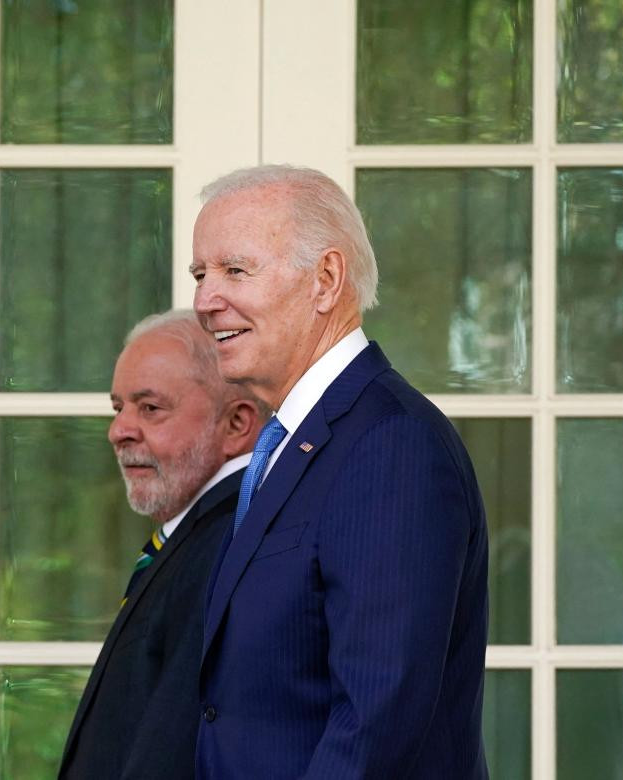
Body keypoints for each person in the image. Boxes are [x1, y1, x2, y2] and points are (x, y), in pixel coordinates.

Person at [190, 165, 490, 779]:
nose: (204, 301)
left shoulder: (390, 444)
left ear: (325, 281)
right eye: (199, 275)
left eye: (234, 271)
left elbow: (375, 721)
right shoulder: (295, 441)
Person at [57, 310, 266, 780]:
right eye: (118, 408)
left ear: (237, 425)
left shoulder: (233, 549)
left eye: (150, 408)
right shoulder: (199, 535)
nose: (119, 430)